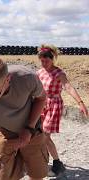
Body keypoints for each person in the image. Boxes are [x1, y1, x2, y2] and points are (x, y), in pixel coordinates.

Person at [36, 44, 88, 177]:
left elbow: (68, 87)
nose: (44, 63)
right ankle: (42, 161)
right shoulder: (39, 72)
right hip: (41, 104)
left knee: (45, 136)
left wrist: (80, 103)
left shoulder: (59, 73)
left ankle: (57, 164)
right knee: (40, 135)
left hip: (54, 105)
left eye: (46, 61)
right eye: (42, 61)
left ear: (52, 59)